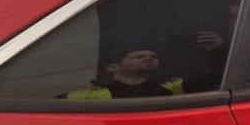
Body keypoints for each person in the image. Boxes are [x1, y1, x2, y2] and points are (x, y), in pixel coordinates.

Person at [61, 30, 225, 100]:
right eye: (139, 57)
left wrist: (217, 50)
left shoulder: (173, 86)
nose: (149, 58)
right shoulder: (88, 96)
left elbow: (218, 78)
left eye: (153, 56)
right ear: (113, 68)